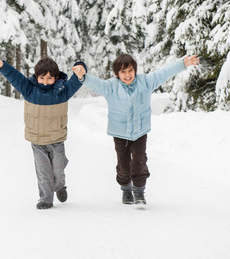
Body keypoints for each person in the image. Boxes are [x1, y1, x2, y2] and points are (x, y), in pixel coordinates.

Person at [73, 54, 199, 205]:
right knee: (123, 166)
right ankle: (126, 189)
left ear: (135, 71)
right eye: (123, 72)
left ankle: (139, 192)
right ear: (116, 74)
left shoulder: (145, 82)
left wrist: (182, 64)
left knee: (140, 161)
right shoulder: (111, 87)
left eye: (130, 71)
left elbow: (163, 73)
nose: (128, 75)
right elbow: (97, 84)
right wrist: (83, 77)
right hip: (120, 133)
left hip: (140, 132)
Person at [0, 53, 86, 209]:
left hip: (56, 140)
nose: (46, 82)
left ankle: (60, 186)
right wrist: (2, 66)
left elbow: (77, 80)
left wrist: (81, 68)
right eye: (42, 78)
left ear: (56, 78)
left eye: (50, 78)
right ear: (36, 77)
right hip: (37, 141)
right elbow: (15, 77)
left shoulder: (62, 91)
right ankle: (46, 199)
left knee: (58, 169)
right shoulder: (29, 90)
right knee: (43, 173)